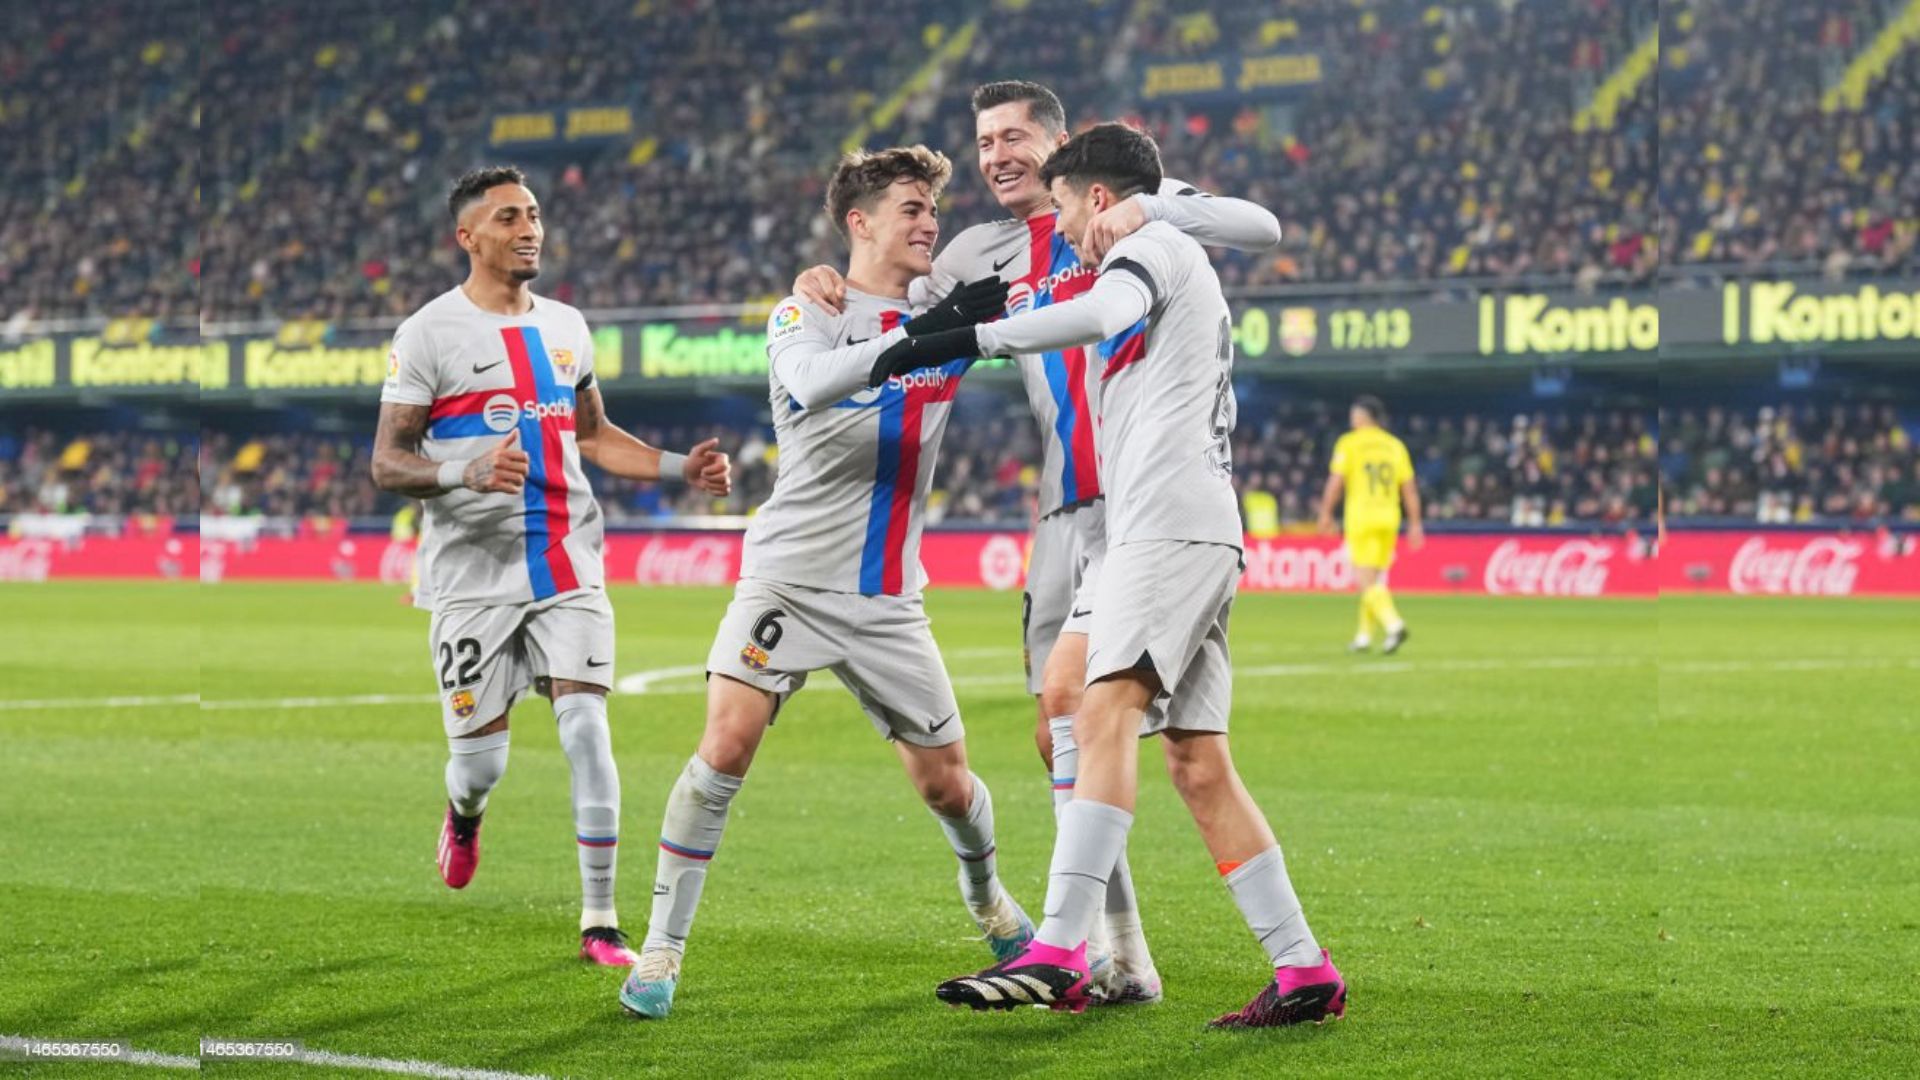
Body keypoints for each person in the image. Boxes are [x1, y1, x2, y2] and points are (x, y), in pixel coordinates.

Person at [794, 79, 1283, 1004]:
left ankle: (1072, 953)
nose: (996, 154)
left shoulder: (1131, 214)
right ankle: (1120, 953)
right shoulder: (985, 249)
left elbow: (1260, 228)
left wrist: (1152, 197)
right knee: (1066, 724)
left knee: (1089, 707)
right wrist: (822, 282)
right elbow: (890, 297)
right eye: (983, 141)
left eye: (1014, 136)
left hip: (1143, 506)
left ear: (1060, 148)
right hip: (1067, 514)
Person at [875, 123, 1346, 1027]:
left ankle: (1061, 947)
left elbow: (1102, 315)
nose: (1063, 230)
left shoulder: (1153, 248)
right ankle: (1302, 969)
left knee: (1102, 711)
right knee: (1163, 745)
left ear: (1097, 199)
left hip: (1171, 527)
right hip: (1145, 530)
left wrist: (978, 338)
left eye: (1064, 207)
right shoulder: (1128, 254)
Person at [618, 146, 1024, 1020]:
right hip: (789, 579)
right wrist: (924, 331)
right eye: (911, 209)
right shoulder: (807, 309)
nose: (928, 223)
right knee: (726, 745)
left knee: (947, 785)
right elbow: (808, 385)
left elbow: (1029, 262)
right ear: (859, 222)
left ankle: (989, 900)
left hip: (886, 597)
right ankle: (661, 949)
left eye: (932, 211)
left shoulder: (946, 305)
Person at [372, 165, 732, 967]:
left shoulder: (568, 326)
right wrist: (460, 472)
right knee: (480, 764)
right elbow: (387, 463)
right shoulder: (427, 334)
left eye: (534, 214)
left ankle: (599, 922)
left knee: (587, 730)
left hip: (569, 558)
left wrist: (681, 469)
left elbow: (596, 437)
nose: (529, 227)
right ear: (468, 237)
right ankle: (464, 815)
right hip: (470, 576)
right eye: (509, 217)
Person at [1317, 396, 1423, 654]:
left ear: (1364, 417)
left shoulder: (1350, 443)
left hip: (1362, 517)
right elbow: (1408, 489)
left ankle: (1394, 624)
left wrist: (1325, 512)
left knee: (1365, 581)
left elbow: (1336, 482)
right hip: (1389, 518)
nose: (1352, 419)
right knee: (1374, 580)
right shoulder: (1394, 445)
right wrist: (1416, 523)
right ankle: (1364, 636)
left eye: (1355, 414)